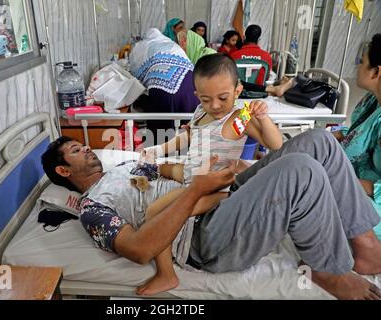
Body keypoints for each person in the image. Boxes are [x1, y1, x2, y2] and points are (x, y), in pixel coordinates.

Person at [41, 129, 381, 300]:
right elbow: (139, 248)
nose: (86, 148)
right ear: (64, 171)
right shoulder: (93, 208)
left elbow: (171, 170)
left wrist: (232, 169)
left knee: (318, 141)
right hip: (202, 235)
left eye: (83, 145)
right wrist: (195, 191)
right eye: (76, 150)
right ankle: (327, 270)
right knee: (301, 170)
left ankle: (364, 245)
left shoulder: (126, 166)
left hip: (216, 197)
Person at [136, 53, 283, 295]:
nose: (214, 105)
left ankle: (167, 274)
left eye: (222, 98)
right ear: (197, 96)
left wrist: (264, 118)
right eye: (206, 99)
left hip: (215, 187)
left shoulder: (239, 117)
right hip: (192, 172)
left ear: (238, 90)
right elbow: (191, 136)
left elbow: (275, 144)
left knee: (155, 212)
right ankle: (159, 167)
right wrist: (158, 149)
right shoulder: (199, 112)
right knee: (156, 167)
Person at [332, 34, 381, 241]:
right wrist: (338, 136)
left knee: (309, 197)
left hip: (374, 203)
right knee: (314, 144)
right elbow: (358, 134)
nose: (357, 66)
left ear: (377, 71)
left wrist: (342, 182)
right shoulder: (372, 101)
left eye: (362, 62)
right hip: (352, 178)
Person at [130, 28, 199, 130]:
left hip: (162, 88)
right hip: (191, 84)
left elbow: (135, 70)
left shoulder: (143, 46)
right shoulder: (171, 44)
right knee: (189, 128)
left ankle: (163, 144)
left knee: (162, 131)